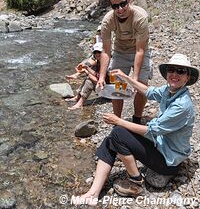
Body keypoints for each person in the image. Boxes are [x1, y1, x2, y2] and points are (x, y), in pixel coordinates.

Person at [72, 53, 199, 205]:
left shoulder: (182, 105)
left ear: (187, 77)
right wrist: (126, 78)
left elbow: (152, 130)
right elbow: (149, 92)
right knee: (110, 140)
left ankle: (136, 182)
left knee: (118, 132)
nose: (174, 74)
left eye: (180, 71)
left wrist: (118, 121)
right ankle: (93, 193)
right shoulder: (169, 91)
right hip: (161, 146)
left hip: (168, 161)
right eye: (171, 70)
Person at [97, 0, 152, 122]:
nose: (120, 9)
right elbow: (105, 51)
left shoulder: (140, 17)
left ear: (129, 1)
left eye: (123, 4)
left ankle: (137, 119)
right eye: (115, 6)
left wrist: (134, 79)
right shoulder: (107, 21)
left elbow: (140, 50)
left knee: (140, 86)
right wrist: (102, 77)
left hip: (140, 50)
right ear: (111, 6)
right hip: (120, 51)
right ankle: (117, 121)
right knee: (117, 85)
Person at [66, 43, 106, 110]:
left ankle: (80, 103)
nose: (97, 54)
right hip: (104, 88)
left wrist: (87, 73)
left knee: (89, 81)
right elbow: (96, 74)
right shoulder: (99, 61)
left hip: (109, 92)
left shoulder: (106, 64)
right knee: (89, 75)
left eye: (99, 52)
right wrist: (86, 68)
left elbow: (98, 81)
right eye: (95, 52)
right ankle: (78, 97)